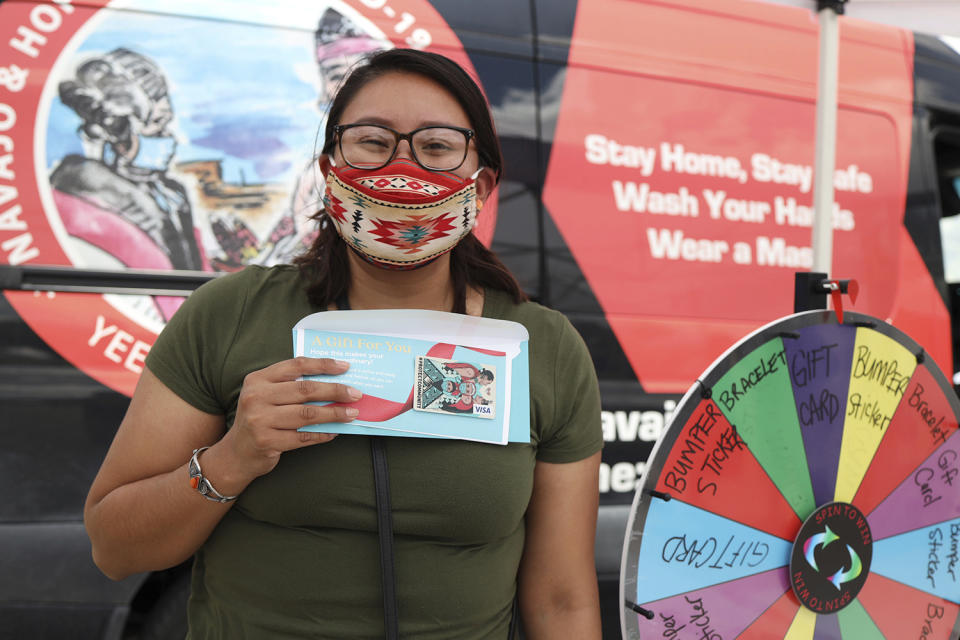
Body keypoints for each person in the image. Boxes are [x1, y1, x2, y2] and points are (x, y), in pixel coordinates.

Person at [84, 48, 603, 639]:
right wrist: (234, 458)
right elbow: (113, 548)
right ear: (330, 169)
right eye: (372, 141)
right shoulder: (228, 316)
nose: (402, 169)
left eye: (436, 146)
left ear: (481, 184)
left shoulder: (545, 349)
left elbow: (562, 602)